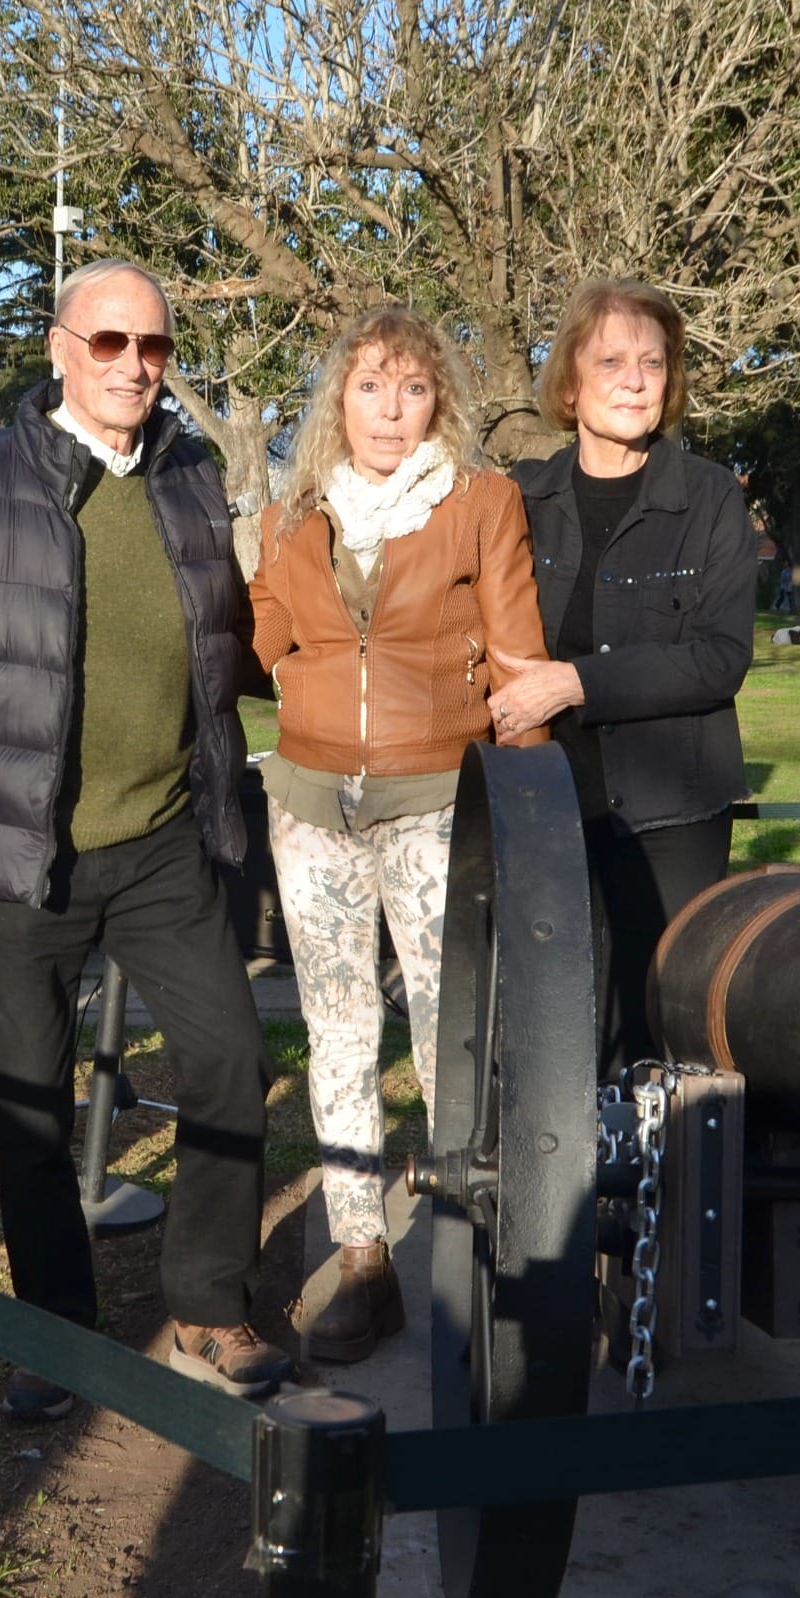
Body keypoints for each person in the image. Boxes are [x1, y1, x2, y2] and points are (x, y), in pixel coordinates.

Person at [0, 257, 285, 1417]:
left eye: (153, 347)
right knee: (29, 1104)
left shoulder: (193, 480)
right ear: (60, 347)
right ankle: (55, 1336)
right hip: (19, 856)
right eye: (109, 344)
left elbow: (240, 650)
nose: (134, 368)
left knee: (226, 1063)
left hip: (162, 842)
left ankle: (209, 1307)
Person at [248, 306, 548, 1363]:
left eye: (412, 388)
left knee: (442, 1028)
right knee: (334, 1029)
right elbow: (263, 639)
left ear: (440, 401)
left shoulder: (481, 503)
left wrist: (527, 809)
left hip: (437, 801)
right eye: (369, 386)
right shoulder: (296, 516)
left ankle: (472, 1252)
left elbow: (519, 659)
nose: (389, 409)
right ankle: (364, 1261)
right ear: (339, 398)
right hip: (312, 802)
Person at [494, 278, 757, 1078]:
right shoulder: (517, 497)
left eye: (652, 362)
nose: (636, 380)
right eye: (610, 361)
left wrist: (574, 682)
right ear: (569, 384)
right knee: (549, 1026)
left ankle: (659, 1193)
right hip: (540, 802)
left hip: (670, 812)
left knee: (658, 1030)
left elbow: (720, 657)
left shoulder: (710, 497)